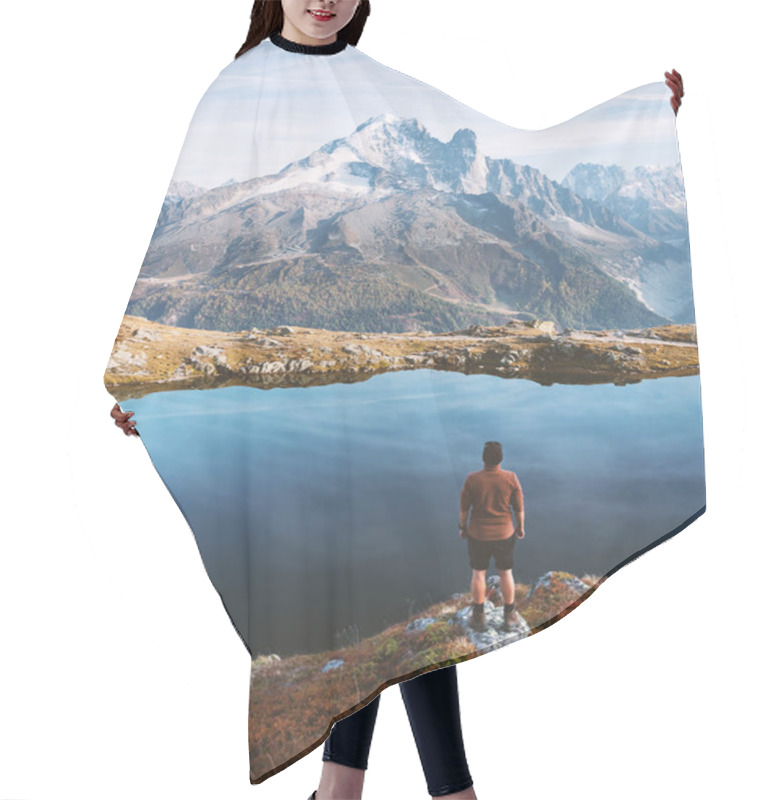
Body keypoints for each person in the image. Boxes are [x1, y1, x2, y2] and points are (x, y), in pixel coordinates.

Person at [108, 2, 686, 798]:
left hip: (382, 414)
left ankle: (348, 788)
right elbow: (175, 265)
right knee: (375, 600)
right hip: (307, 436)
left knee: (396, 593)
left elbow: (522, 144)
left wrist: (644, 115)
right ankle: (430, 791)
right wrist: (141, 385)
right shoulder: (233, 90)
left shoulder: (379, 84)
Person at [459, 442, 525, 634]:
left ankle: (479, 618)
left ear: (483, 458)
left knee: (478, 573)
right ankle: (510, 616)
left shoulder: (472, 479)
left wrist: (462, 528)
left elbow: (464, 510)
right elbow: (519, 509)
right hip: (504, 534)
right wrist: (520, 528)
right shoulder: (511, 478)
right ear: (500, 458)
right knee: (506, 573)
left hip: (478, 534)